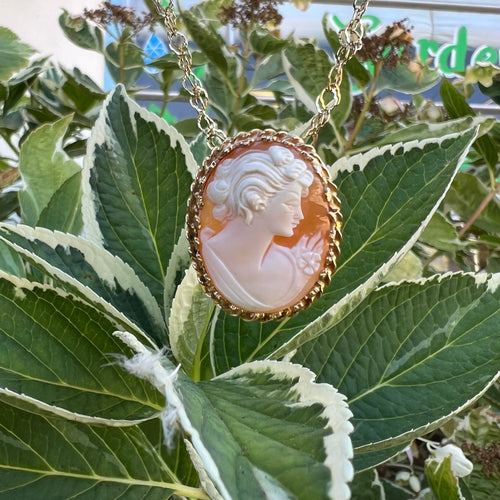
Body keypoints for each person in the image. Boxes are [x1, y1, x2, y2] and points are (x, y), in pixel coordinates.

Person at [200, 145, 324, 312]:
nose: (300, 215)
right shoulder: (207, 255)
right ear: (255, 201)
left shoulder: (291, 266)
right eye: (290, 204)